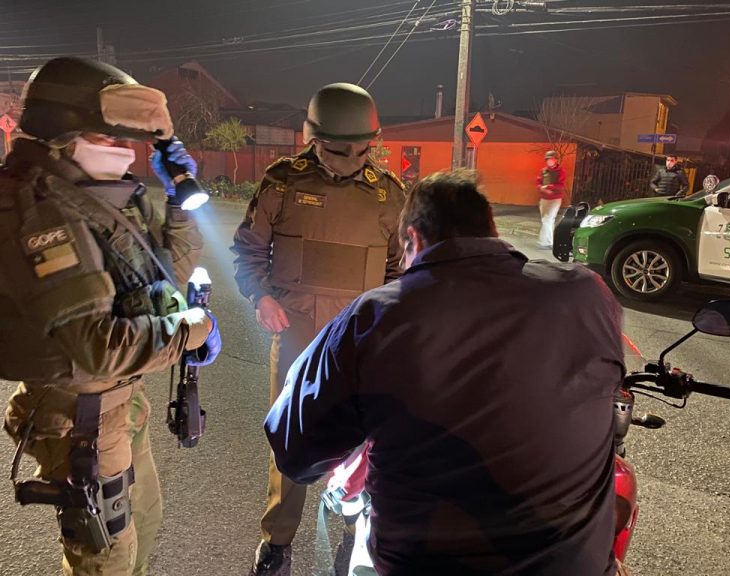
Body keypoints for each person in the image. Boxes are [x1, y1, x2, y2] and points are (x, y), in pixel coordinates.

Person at [265, 170, 626, 576]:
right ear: (490, 228)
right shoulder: (586, 293)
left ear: (413, 239)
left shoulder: (376, 315)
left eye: (401, 256)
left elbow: (294, 450)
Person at [0, 57, 220, 575]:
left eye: (129, 140)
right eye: (109, 136)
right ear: (61, 131)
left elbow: (166, 274)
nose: (124, 149)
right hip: (79, 418)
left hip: (120, 402)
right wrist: (192, 330)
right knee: (106, 560)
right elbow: (97, 344)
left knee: (144, 526)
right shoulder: (39, 208)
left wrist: (180, 197)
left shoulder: (94, 197)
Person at [231, 82, 406, 576]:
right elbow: (248, 250)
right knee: (291, 439)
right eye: (337, 150)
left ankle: (357, 527)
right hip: (297, 334)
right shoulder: (283, 182)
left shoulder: (390, 195)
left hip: (361, 339)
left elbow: (400, 271)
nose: (350, 160)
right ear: (312, 138)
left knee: (366, 440)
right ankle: (277, 539)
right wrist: (261, 297)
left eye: (361, 150)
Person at [536, 150, 566, 249]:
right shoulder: (543, 171)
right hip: (544, 199)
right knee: (548, 221)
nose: (549, 161)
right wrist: (541, 188)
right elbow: (538, 183)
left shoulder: (561, 171)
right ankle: (550, 241)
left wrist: (549, 187)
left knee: (547, 219)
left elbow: (561, 185)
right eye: (547, 159)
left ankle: (545, 242)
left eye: (551, 159)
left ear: (556, 160)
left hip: (555, 199)